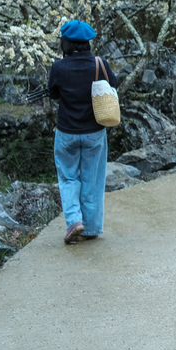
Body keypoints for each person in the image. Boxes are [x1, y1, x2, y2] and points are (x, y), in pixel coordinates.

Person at [47, 20, 118, 244]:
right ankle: (92, 227)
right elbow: (113, 85)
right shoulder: (100, 63)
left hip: (66, 131)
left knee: (68, 177)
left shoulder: (58, 67)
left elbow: (54, 95)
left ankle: (74, 221)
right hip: (94, 131)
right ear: (87, 42)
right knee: (93, 179)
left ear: (65, 44)